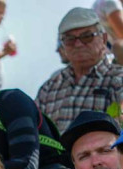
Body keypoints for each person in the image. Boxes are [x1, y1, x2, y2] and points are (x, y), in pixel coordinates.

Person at [37, 7, 123, 135]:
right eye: (70, 39)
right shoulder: (49, 88)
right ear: (63, 45)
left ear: (104, 39)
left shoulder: (118, 78)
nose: (78, 44)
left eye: (87, 36)